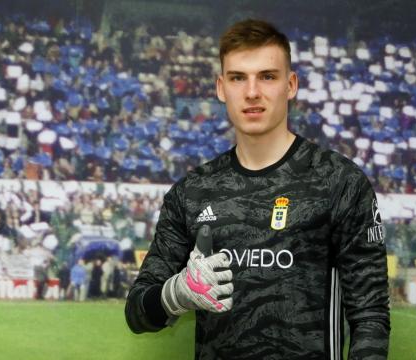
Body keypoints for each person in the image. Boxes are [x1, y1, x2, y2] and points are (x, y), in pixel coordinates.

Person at [125, 19, 390, 359]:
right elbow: (136, 312)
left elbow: (371, 316)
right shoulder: (192, 191)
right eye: (238, 78)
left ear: (290, 84)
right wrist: (176, 294)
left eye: (267, 76)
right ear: (221, 88)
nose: (252, 92)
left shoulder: (339, 182)